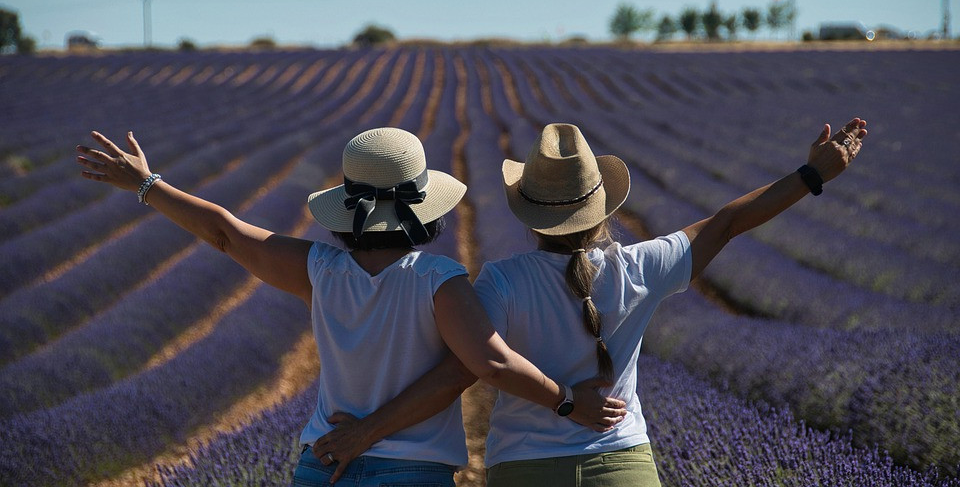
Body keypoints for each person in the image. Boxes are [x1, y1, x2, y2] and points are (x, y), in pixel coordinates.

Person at [313, 118, 867, 487]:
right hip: (621, 464)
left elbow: (468, 368)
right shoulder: (640, 267)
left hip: (524, 469)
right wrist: (812, 174)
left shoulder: (500, 282)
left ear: (528, 209)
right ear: (603, 206)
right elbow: (727, 223)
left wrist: (368, 428)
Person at [76, 127, 625, 487]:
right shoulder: (440, 279)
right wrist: (566, 403)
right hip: (412, 470)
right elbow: (489, 364)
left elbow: (225, 233)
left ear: (347, 207)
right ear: (426, 205)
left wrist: (146, 184)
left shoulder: (320, 269)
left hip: (324, 463)